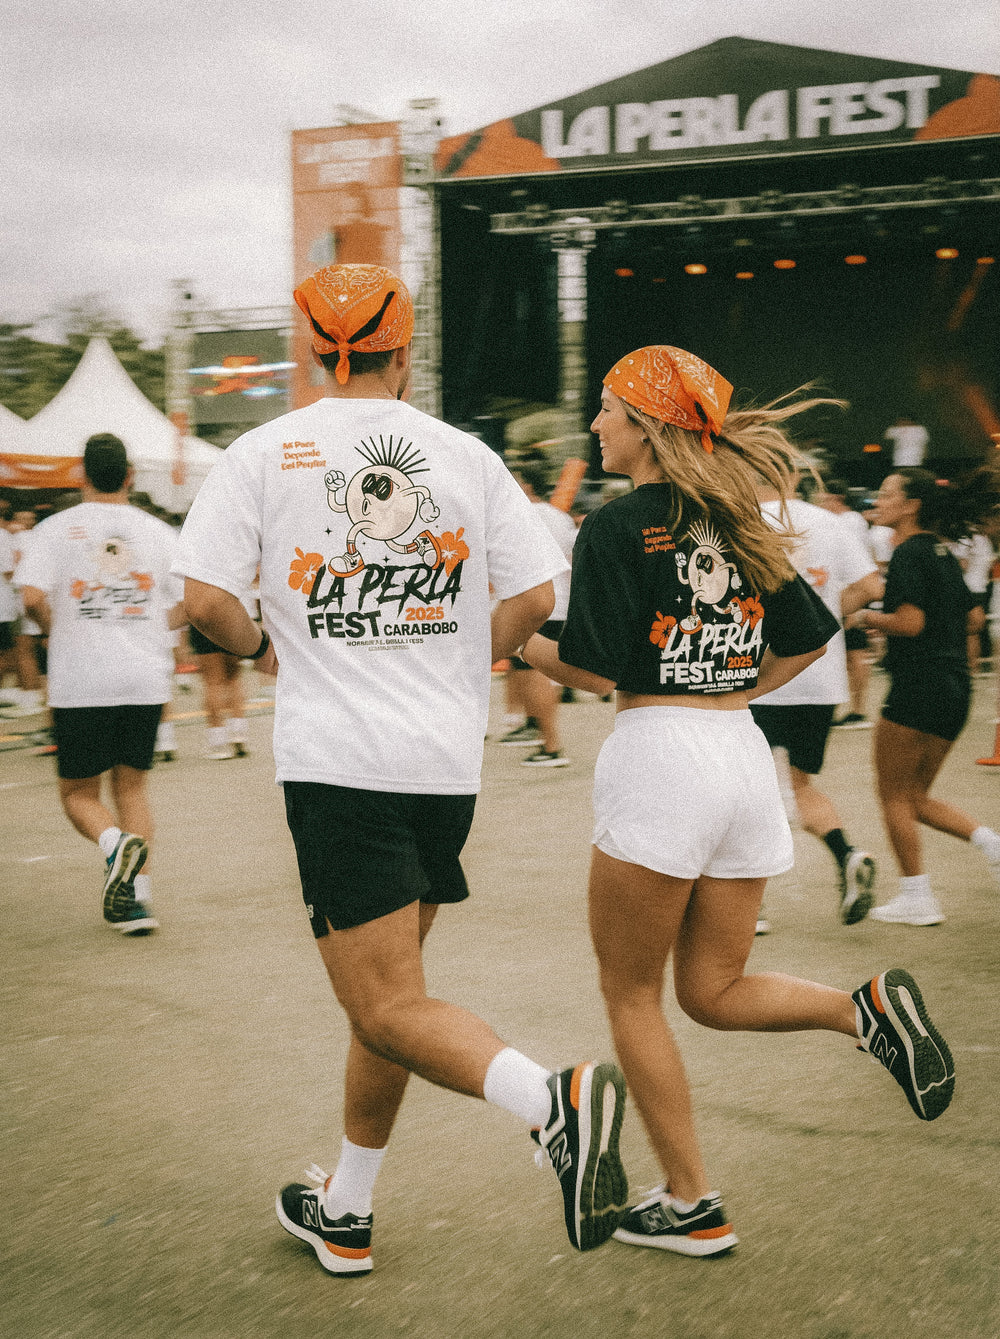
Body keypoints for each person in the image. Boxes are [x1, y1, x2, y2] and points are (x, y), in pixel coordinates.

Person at [172, 262, 629, 1275]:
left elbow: (206, 600)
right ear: (403, 347)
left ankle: (549, 1102)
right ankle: (347, 1207)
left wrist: (259, 645)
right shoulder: (463, 455)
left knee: (384, 1004)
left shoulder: (262, 451)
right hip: (440, 765)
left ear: (309, 347)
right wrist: (467, 656)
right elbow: (536, 589)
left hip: (340, 764)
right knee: (394, 1001)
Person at [522, 346, 956, 1257]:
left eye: (606, 408)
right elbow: (811, 631)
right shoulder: (735, 518)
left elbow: (595, 668)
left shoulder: (615, 524)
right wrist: (729, 686)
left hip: (661, 757)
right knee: (713, 989)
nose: (595, 424)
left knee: (631, 993)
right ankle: (862, 1010)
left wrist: (518, 644)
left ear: (644, 422)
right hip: (739, 752)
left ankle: (691, 1201)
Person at [16, 434, 186, 934]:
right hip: (144, 677)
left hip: (81, 675)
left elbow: (29, 597)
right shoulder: (159, 533)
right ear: (130, 477)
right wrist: (153, 627)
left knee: (78, 794)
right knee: (132, 786)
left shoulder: (54, 529)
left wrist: (56, 628)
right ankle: (138, 902)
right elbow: (189, 603)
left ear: (81, 476)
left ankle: (114, 846)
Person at [861, 467, 1000, 925]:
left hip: (918, 687)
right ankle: (991, 844)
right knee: (915, 795)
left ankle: (917, 897)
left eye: (886, 494)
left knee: (893, 796)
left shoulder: (907, 554)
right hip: (955, 689)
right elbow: (974, 619)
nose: (878, 502)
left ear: (910, 505)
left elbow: (910, 622)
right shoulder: (942, 552)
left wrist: (866, 616)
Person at [750, 476, 884, 926]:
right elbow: (870, 586)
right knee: (800, 785)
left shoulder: (740, 520)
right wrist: (821, 616)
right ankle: (846, 853)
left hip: (757, 675)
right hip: (819, 676)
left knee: (750, 790)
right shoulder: (830, 522)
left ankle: (753, 906)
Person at [498, 464, 577, 766]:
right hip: (558, 601)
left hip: (536, 603)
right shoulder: (559, 516)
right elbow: (571, 559)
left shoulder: (525, 516)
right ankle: (534, 728)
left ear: (527, 485)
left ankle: (552, 746)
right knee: (524, 670)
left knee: (533, 673)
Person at [816, 478, 878, 727]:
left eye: (824, 498)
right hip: (850, 592)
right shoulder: (854, 521)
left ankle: (857, 709)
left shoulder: (847, 522)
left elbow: (855, 563)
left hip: (850, 593)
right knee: (853, 653)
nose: (820, 503)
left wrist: (854, 603)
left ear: (835, 499)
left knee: (854, 653)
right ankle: (854, 708)